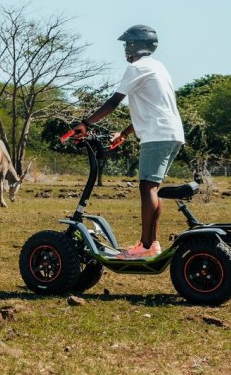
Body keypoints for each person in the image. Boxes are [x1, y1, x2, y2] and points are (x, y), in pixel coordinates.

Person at [73, 25, 185, 259]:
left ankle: (145, 246)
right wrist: (124, 133)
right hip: (170, 132)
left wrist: (86, 123)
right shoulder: (158, 66)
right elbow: (153, 109)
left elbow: (113, 102)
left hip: (158, 134)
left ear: (135, 45)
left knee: (148, 187)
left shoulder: (136, 68)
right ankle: (150, 244)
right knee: (151, 187)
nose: (125, 48)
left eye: (127, 43)